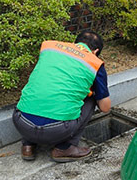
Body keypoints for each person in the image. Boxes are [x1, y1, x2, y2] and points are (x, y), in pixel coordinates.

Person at [12, 30, 111, 162]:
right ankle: (64, 148)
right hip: (57, 129)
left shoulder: (49, 47)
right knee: (92, 99)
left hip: (21, 123)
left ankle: (28, 145)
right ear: (96, 51)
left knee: (38, 89)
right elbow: (105, 107)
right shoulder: (95, 63)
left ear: (75, 43)